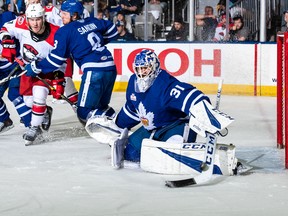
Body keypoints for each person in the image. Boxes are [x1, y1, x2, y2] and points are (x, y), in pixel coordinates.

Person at [85, 49, 233, 169]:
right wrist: (116, 124)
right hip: (152, 128)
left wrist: (207, 115)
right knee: (130, 153)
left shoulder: (165, 85)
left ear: (154, 67)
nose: (141, 73)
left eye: (145, 68)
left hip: (176, 125)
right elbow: (132, 110)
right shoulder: (133, 83)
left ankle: (208, 160)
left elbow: (191, 96)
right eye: (138, 69)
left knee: (172, 154)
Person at [24, 0, 119, 127]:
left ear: (74, 15)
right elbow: (113, 29)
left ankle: (112, 128)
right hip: (111, 67)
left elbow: (56, 60)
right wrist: (99, 42)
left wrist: (36, 67)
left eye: (64, 14)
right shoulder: (93, 21)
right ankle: (119, 122)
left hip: (94, 71)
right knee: (102, 106)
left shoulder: (65, 31)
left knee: (83, 112)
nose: (61, 16)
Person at [0, 3, 66, 144]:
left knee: (39, 95)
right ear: (27, 19)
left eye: (38, 19)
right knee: (28, 101)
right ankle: (45, 111)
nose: (35, 24)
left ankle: (34, 127)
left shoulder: (57, 33)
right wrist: (7, 42)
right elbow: (5, 29)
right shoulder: (21, 23)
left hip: (45, 69)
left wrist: (58, 77)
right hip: (27, 69)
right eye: (32, 20)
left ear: (44, 18)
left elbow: (62, 59)